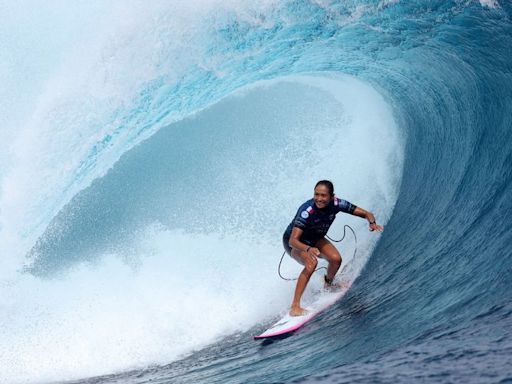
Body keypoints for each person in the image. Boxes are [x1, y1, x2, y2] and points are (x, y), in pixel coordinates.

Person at [283, 180, 383, 316]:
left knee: (336, 259)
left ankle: (328, 285)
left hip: (315, 238)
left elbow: (367, 213)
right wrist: (308, 249)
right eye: (316, 194)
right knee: (311, 263)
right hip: (296, 243)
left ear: (331, 196)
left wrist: (372, 223)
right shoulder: (307, 211)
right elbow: (292, 240)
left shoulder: (337, 204)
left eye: (323, 195)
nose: (319, 198)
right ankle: (295, 307)